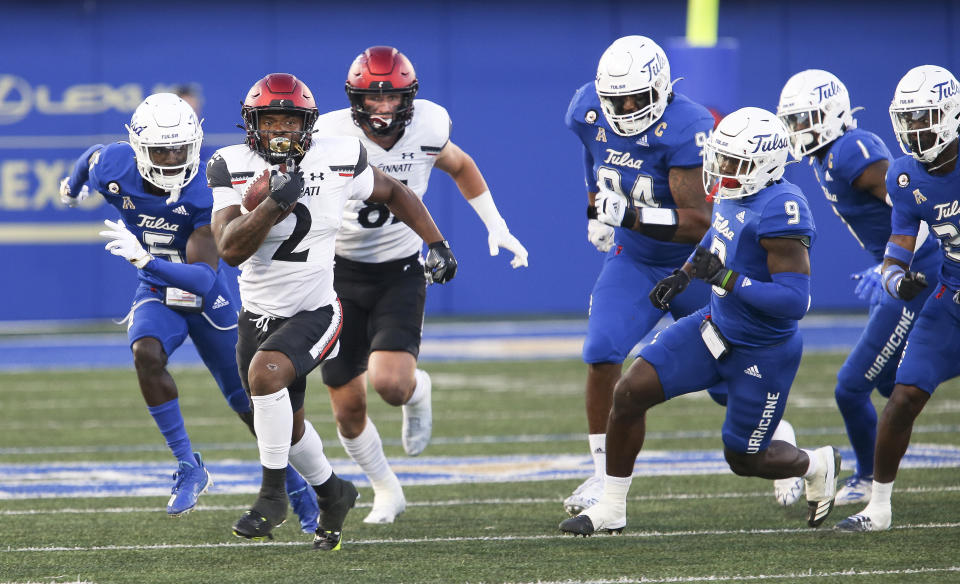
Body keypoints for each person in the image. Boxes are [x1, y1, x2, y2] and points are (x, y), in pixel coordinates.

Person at [560, 107, 841, 537]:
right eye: (721, 158)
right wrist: (684, 275)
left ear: (763, 163)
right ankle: (612, 505)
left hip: (762, 351)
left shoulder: (783, 209)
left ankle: (815, 463)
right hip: (713, 326)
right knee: (631, 392)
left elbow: (794, 301)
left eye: (732, 162)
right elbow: (715, 240)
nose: (722, 169)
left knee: (744, 459)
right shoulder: (736, 191)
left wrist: (727, 278)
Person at [208, 73, 457, 549]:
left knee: (265, 376)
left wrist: (436, 242)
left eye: (290, 119)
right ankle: (334, 492)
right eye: (270, 119)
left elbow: (395, 192)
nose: (280, 130)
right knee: (286, 423)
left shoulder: (339, 154)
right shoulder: (230, 165)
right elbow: (229, 249)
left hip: (316, 310)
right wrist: (269, 208)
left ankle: (273, 495)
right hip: (257, 315)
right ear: (250, 123)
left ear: (310, 124)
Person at [57, 93, 320, 531]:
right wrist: (73, 183)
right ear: (139, 148)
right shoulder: (116, 166)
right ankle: (188, 465)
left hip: (205, 296)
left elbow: (201, 276)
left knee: (246, 402)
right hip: (158, 286)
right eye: (161, 149)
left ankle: (296, 487)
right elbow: (91, 157)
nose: (172, 157)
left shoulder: (206, 189)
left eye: (180, 148)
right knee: (145, 351)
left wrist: (145, 261)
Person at [311, 46, 528, 524]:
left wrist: (495, 224)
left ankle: (417, 391)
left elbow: (461, 165)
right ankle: (386, 488)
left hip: (399, 267)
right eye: (372, 98)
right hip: (336, 273)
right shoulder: (326, 134)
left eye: (393, 98)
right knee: (347, 408)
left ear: (410, 98)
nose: (383, 108)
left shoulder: (430, 126)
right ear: (354, 99)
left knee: (390, 384)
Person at [776, 70, 941, 507]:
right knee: (891, 380)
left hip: (914, 274)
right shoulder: (827, 155)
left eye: (803, 119)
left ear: (830, 113)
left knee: (850, 386)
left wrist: (894, 267)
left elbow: (914, 208)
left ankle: (869, 477)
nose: (797, 131)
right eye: (791, 121)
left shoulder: (851, 150)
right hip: (902, 270)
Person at [837, 65, 960, 532]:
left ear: (951, 114)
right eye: (906, 119)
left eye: (923, 116)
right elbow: (897, 253)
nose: (912, 129)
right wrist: (895, 282)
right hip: (952, 296)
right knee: (904, 394)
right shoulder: (904, 176)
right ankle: (879, 507)